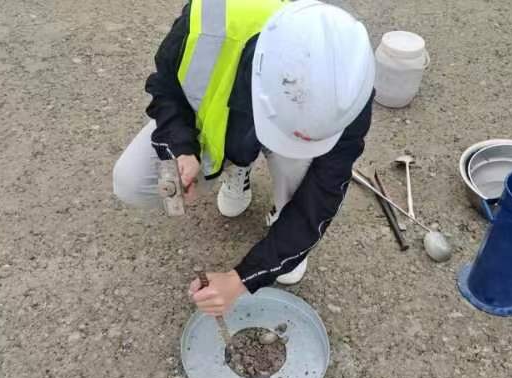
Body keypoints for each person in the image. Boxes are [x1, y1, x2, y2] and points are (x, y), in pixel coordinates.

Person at [112, 0, 375, 316]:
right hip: (225, 117)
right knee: (131, 182)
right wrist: (181, 149)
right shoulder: (212, 19)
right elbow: (166, 88)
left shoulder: (349, 87)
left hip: (262, 117)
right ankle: (239, 165)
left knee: (309, 170)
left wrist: (244, 278)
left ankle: (285, 221)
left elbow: (323, 192)